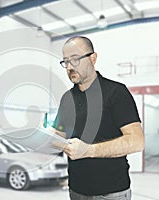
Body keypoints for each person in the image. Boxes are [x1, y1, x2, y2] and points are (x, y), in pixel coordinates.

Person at [52, 36, 144, 200]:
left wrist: (88, 150)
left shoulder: (116, 92)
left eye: (75, 59)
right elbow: (59, 136)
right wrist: (44, 137)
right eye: (66, 62)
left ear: (93, 58)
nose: (70, 67)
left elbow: (137, 141)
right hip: (76, 191)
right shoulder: (67, 98)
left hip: (111, 193)